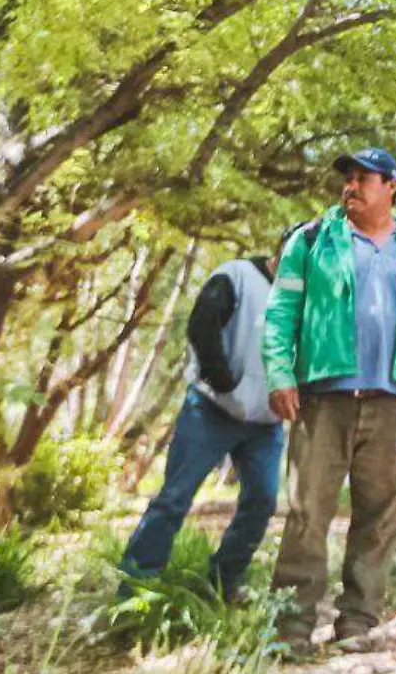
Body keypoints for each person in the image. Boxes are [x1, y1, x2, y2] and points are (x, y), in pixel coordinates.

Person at [264, 148, 396, 653]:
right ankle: (292, 625)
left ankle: (358, 620)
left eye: (363, 178)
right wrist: (280, 373)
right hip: (322, 398)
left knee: (380, 512)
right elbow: (281, 311)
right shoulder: (312, 241)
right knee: (308, 511)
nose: (351, 186)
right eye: (347, 179)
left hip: (393, 400)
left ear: (392, 185)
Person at [119, 236, 288, 598]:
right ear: (283, 249)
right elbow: (203, 324)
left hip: (265, 423)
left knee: (262, 501)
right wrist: (221, 377)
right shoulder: (238, 275)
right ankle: (135, 587)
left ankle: (222, 584)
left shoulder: (309, 298)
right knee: (174, 499)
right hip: (212, 409)